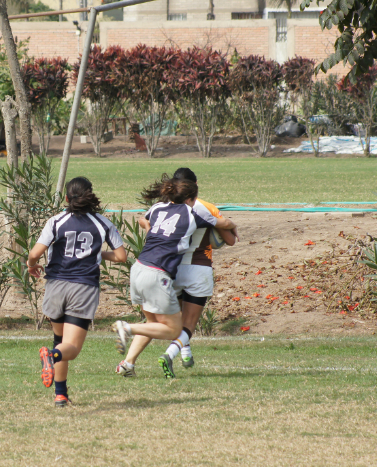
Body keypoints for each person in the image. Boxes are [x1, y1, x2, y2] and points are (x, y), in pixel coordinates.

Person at [118, 169, 238, 378]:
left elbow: (142, 220)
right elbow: (229, 238)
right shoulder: (200, 210)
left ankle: (129, 363)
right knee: (184, 325)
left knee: (154, 323)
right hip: (191, 269)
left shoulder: (159, 207)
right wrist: (231, 226)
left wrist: (150, 230)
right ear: (194, 188)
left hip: (159, 269)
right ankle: (169, 352)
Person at [29, 177, 127, 407]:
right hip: (83, 288)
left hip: (55, 286)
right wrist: (96, 253)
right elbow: (121, 256)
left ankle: (60, 395)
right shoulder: (103, 223)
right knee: (70, 348)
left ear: (66, 198)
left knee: (60, 341)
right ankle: (51, 356)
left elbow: (35, 253)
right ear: (90, 195)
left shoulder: (56, 221)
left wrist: (31, 264)